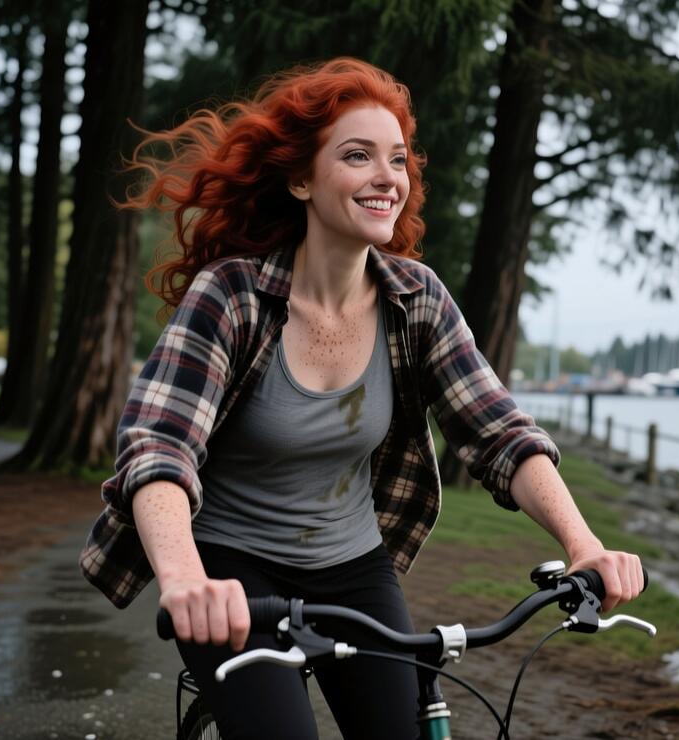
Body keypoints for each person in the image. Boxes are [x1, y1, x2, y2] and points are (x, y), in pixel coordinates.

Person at [80, 57, 644, 739]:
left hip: (352, 565)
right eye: (357, 156)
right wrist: (184, 580)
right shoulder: (233, 295)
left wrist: (584, 546)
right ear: (300, 179)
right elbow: (159, 446)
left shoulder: (418, 300)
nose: (388, 178)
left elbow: (500, 434)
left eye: (398, 160)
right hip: (231, 570)